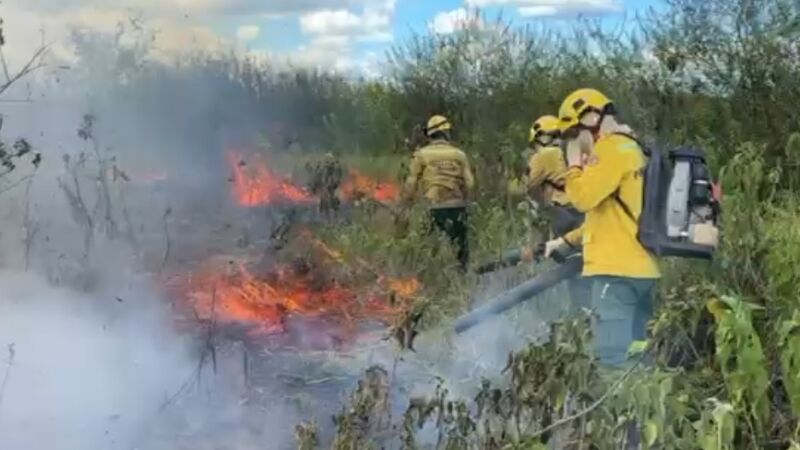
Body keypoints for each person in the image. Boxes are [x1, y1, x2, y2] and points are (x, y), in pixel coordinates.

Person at [545, 88, 660, 367]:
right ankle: (641, 409)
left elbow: (582, 199)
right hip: (642, 270)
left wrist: (573, 164)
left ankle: (621, 410)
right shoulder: (632, 148)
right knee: (638, 354)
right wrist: (566, 242)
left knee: (613, 359)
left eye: (574, 134)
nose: (575, 142)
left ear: (591, 117)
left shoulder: (610, 149)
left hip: (615, 275)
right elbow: (608, 216)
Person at [524, 115, 590, 314]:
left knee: (567, 262)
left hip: (562, 212)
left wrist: (541, 203)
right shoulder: (576, 149)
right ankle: (588, 306)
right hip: (584, 211)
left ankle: (577, 311)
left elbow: (529, 185)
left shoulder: (543, 155)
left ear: (539, 136)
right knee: (584, 260)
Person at [403, 115, 475, 272]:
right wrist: (465, 202)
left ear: (430, 134)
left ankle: (428, 276)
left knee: (427, 247)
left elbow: (411, 183)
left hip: (432, 208)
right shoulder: (459, 155)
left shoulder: (421, 155)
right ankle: (462, 277)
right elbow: (470, 184)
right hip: (457, 207)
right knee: (461, 250)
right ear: (446, 132)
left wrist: (407, 206)